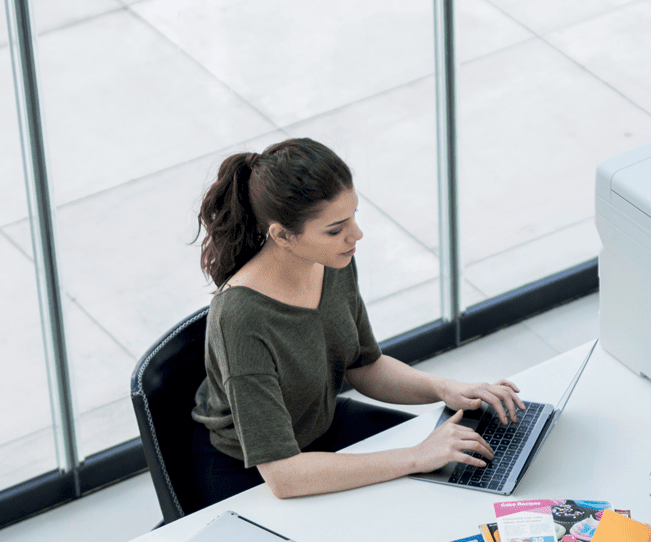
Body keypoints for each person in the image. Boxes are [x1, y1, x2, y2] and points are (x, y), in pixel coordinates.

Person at [187, 138, 529, 501]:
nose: (356, 235)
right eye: (335, 228)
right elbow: (284, 476)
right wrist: (415, 456)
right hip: (251, 472)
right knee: (425, 476)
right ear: (282, 235)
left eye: (353, 216)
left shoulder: (330, 259)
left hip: (322, 427)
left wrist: (443, 388)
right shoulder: (241, 318)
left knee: (467, 463)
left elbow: (365, 366)